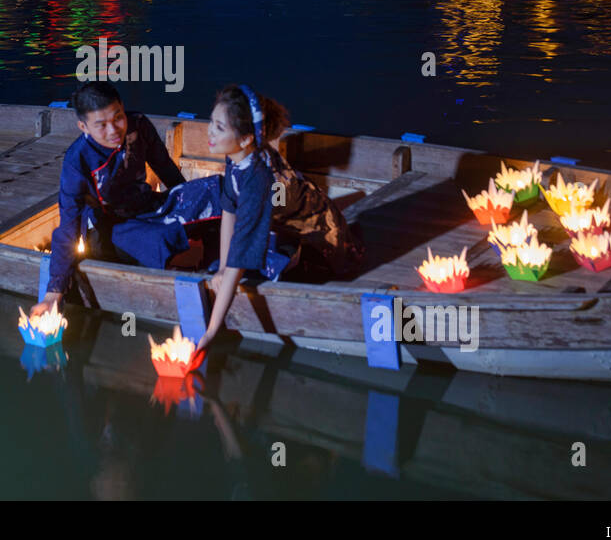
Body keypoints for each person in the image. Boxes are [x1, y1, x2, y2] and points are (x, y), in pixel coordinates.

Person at [194, 85, 362, 353]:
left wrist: (211, 330)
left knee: (259, 269)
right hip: (280, 221)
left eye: (219, 127)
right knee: (217, 257)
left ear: (247, 138)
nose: (209, 132)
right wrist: (223, 268)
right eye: (211, 122)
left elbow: (241, 254)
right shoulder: (238, 154)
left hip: (318, 237)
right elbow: (229, 208)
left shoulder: (259, 181)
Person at [31, 82, 187, 317]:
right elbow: (68, 225)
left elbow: (167, 171)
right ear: (83, 126)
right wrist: (54, 291)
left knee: (211, 191)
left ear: (123, 109)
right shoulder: (78, 160)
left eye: (118, 118)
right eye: (101, 125)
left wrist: (191, 205)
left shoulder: (139, 126)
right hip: (109, 226)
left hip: (145, 204)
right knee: (161, 240)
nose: (113, 130)